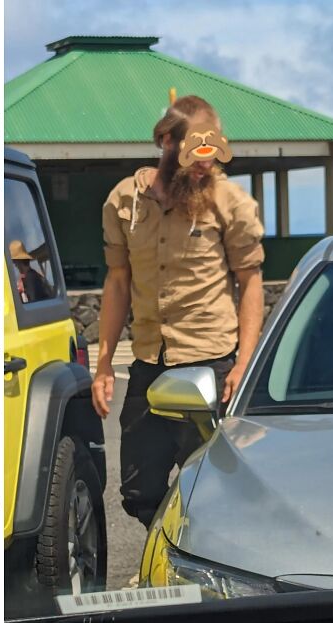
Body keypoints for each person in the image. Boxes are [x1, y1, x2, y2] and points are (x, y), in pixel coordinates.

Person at [91, 95, 265, 529]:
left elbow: (251, 283)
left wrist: (245, 362)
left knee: (216, 484)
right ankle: (169, 555)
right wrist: (105, 363)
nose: (205, 162)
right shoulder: (123, 201)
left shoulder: (231, 202)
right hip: (150, 360)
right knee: (137, 490)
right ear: (167, 141)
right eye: (196, 149)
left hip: (214, 361)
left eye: (213, 148)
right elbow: (117, 283)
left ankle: (204, 574)